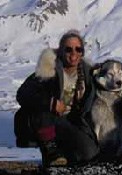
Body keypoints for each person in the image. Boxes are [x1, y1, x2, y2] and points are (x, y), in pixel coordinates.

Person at [16, 30, 99, 166]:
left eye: (78, 49)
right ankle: (50, 151)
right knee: (41, 106)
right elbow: (24, 93)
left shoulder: (87, 73)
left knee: (89, 153)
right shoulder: (49, 68)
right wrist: (51, 103)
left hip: (72, 122)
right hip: (47, 121)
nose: (74, 54)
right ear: (61, 51)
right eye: (68, 49)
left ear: (82, 52)